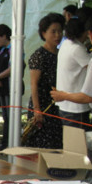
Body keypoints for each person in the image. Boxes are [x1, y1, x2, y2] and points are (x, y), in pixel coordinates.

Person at [52, 13, 92, 127]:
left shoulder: (66, 44)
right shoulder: (77, 49)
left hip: (70, 104)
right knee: (78, 143)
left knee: (75, 143)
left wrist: (63, 95)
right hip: (75, 107)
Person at [26, 13, 65, 148]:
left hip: (57, 105)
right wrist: (37, 110)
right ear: (43, 33)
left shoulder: (62, 53)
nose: (57, 35)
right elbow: (34, 84)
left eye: (60, 31)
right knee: (42, 145)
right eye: (53, 32)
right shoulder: (39, 55)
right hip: (42, 105)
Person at [0, 24, 14, 149]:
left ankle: (9, 142)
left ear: (4, 36)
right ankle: (5, 141)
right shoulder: (1, 50)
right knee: (5, 115)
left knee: (11, 115)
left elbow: (13, 68)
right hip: (2, 87)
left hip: (10, 86)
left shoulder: (13, 49)